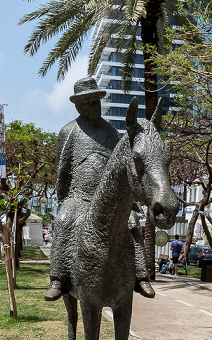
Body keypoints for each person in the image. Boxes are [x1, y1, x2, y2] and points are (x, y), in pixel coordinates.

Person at [45, 77, 154, 301]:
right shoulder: (68, 132)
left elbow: (122, 168)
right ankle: (58, 277)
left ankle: (141, 276)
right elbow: (63, 171)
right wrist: (64, 199)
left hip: (107, 200)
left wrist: (128, 202)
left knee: (132, 222)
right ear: (78, 106)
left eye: (96, 102)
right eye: (88, 103)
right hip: (79, 197)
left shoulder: (112, 132)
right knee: (64, 219)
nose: (94, 107)